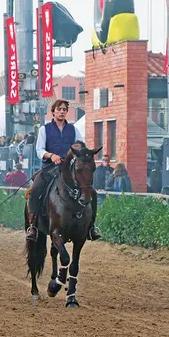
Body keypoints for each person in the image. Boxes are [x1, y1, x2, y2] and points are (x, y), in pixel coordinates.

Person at [26, 99, 102, 242]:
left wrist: (79, 153)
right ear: (53, 111)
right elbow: (39, 150)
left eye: (64, 110)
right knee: (35, 190)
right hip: (50, 168)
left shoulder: (73, 129)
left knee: (91, 192)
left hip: (70, 169)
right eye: (59, 109)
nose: (62, 112)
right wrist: (51, 155)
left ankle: (91, 227)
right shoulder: (45, 129)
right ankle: (33, 226)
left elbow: (80, 145)